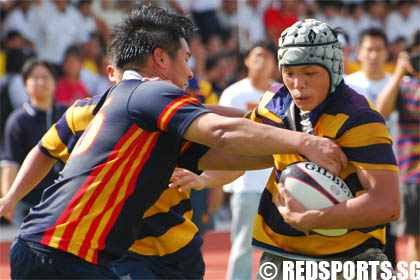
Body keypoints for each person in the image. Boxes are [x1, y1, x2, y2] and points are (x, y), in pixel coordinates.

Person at [8, 6, 346, 278]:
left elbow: (229, 155)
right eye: (186, 58)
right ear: (160, 59)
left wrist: (290, 150)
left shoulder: (146, 116)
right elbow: (221, 131)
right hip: (60, 253)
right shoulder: (150, 92)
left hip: (66, 252)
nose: (191, 72)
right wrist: (305, 142)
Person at [247, 19, 399, 279]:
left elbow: (388, 204)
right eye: (290, 72)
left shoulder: (359, 117)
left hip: (351, 258)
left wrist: (314, 219)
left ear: (335, 68)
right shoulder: (273, 102)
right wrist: (206, 176)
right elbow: (247, 148)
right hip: (282, 255)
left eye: (309, 72)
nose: (298, 84)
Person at [218, 40, 277, 280]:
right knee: (242, 244)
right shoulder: (233, 93)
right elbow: (220, 136)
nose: (261, 62)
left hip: (277, 183)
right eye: (257, 56)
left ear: (275, 63)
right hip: (245, 183)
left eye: (267, 57)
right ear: (247, 60)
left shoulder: (279, 93)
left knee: (277, 247)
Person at [344, 27, 398, 267]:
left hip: (394, 172)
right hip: (353, 173)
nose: (374, 55)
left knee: (390, 241)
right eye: (369, 49)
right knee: (354, 242)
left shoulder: (400, 83)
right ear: (359, 53)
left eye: (379, 49)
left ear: (387, 53)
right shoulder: (346, 85)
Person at [1, 58, 67, 226]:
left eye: (45, 77)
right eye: (34, 78)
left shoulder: (67, 114)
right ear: (25, 84)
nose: (40, 82)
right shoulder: (18, 120)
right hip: (29, 203)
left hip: (63, 200)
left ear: (54, 82)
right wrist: (9, 198)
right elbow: (10, 163)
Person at [376, 29, 420, 263]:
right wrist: (398, 73)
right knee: (415, 240)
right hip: (412, 173)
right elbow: (381, 110)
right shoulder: (402, 86)